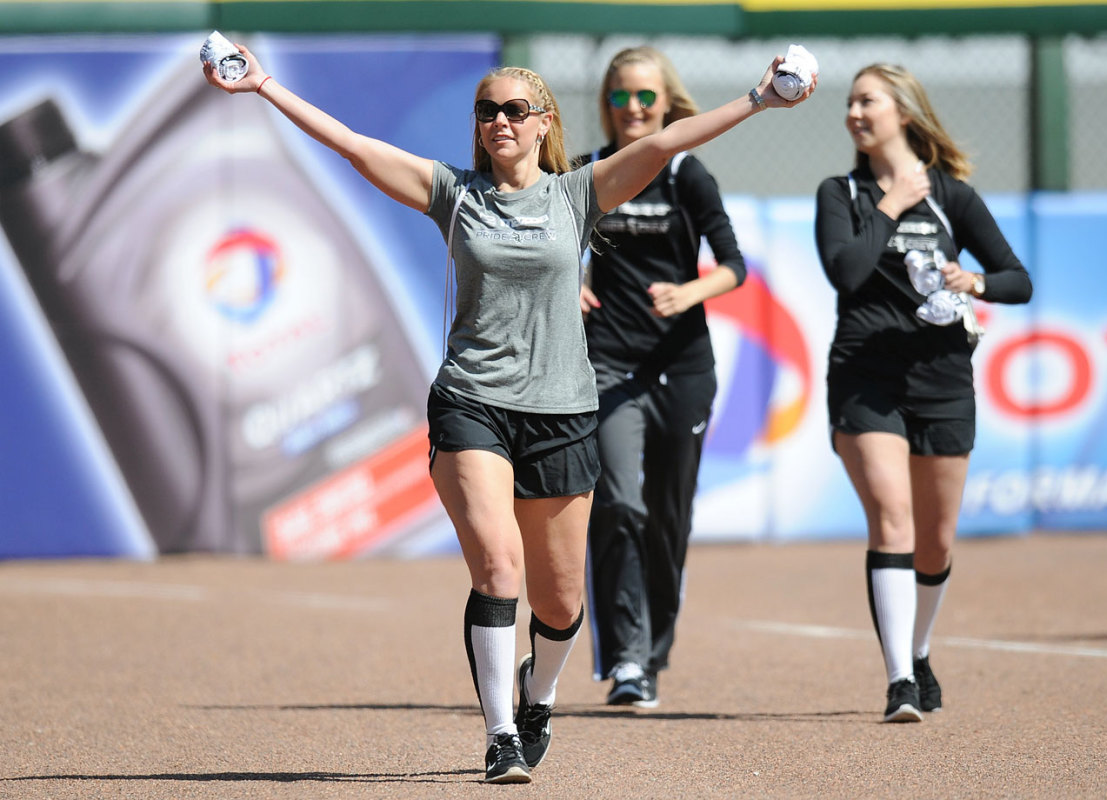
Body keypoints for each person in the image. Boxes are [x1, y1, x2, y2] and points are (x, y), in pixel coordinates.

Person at [205, 45, 815, 782]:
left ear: (542, 124)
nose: (498, 120)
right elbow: (357, 148)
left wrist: (760, 99)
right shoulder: (454, 194)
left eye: (514, 110)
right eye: (487, 110)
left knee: (558, 602)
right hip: (472, 403)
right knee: (498, 568)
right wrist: (265, 85)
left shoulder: (578, 194)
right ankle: (500, 735)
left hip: (561, 411)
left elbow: (661, 144)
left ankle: (540, 691)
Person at [813, 64, 1032, 723]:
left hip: (942, 378)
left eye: (867, 100)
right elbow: (846, 273)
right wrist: (889, 204)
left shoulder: (951, 195)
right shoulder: (840, 193)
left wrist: (975, 284)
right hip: (864, 377)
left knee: (934, 542)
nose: (854, 111)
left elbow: (1017, 278)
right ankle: (900, 680)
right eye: (850, 101)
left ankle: (921, 647)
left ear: (902, 113)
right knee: (893, 520)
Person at [575, 46, 748, 709]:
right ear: (608, 105)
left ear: (667, 102)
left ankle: (652, 650)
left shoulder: (685, 173)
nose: (635, 108)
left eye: (647, 96)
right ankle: (627, 661)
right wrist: (571, 284)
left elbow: (734, 263)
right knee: (620, 504)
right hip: (608, 367)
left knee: (667, 520)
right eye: (623, 97)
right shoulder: (586, 172)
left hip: (683, 370)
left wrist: (693, 291)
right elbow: (549, 248)